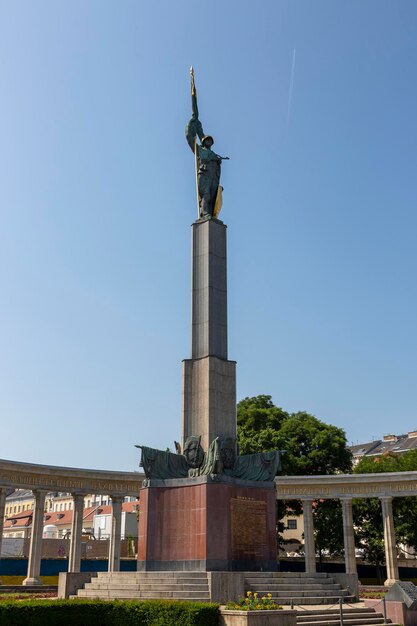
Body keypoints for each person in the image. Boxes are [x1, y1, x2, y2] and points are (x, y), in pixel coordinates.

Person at [185, 68, 229, 218]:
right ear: (204, 141)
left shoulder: (214, 154)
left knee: (211, 197)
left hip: (212, 176)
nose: (209, 142)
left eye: (210, 140)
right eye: (207, 140)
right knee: (206, 196)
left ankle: (209, 213)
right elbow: (189, 137)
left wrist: (218, 163)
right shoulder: (199, 150)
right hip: (203, 175)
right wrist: (193, 121)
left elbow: (218, 168)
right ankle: (204, 214)